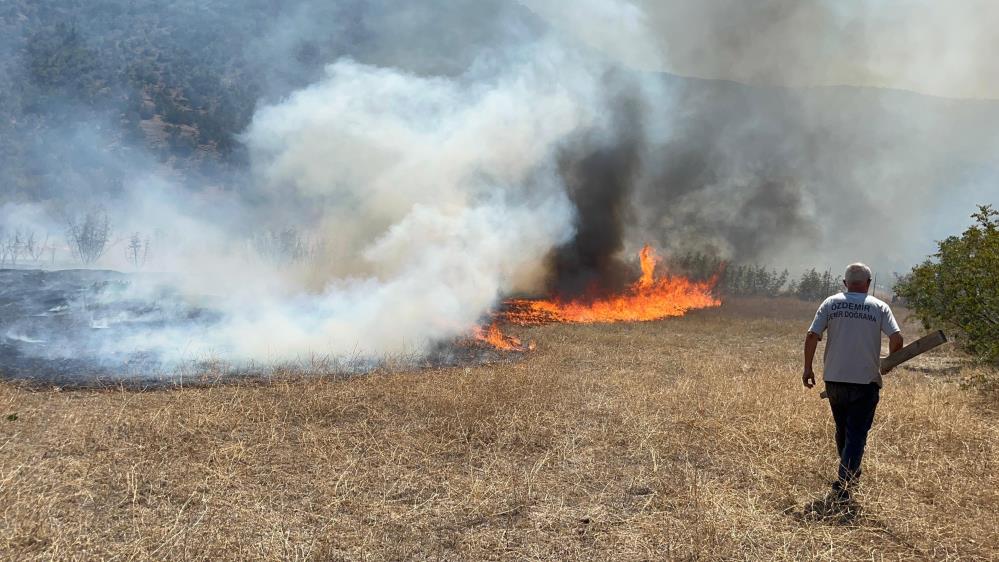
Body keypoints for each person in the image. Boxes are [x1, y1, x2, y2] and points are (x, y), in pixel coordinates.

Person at [802, 263, 903, 502]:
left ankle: (849, 469)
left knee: (843, 429)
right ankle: (845, 482)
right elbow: (897, 338)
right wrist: (889, 362)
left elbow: (811, 335)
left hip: (834, 380)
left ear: (845, 284)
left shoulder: (831, 303)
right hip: (865, 381)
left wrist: (807, 368)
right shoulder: (879, 307)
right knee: (856, 433)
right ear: (868, 284)